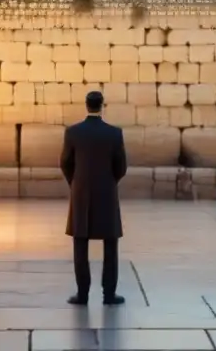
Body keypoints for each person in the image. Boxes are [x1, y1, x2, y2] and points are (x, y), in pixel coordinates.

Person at [60, 90, 128, 306]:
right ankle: (109, 294)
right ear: (102, 106)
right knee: (110, 245)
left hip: (81, 193)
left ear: (86, 105)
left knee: (80, 243)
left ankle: (82, 294)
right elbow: (121, 167)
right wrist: (109, 182)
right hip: (107, 193)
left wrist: (76, 183)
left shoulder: (73, 132)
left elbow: (65, 163)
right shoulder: (114, 133)